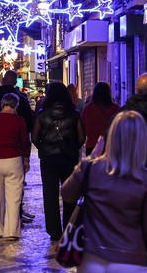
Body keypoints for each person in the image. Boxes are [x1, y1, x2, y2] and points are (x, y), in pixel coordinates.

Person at [61, 111, 147, 273]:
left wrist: (87, 161)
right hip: (131, 259)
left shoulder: (92, 169)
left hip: (91, 256)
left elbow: (67, 194)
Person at [32, 81, 85, 245]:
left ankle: (54, 231)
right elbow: (82, 137)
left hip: (48, 158)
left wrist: (43, 147)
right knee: (69, 193)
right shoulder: (74, 113)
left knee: (50, 194)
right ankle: (69, 227)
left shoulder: (42, 114)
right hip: (68, 157)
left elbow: (34, 137)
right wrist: (72, 147)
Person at [0, 69, 35, 223]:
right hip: (15, 151)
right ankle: (15, 218)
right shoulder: (22, 100)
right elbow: (28, 126)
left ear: (3, 80)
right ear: (15, 81)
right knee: (16, 189)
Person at [0, 93, 31, 241]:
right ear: (15, 105)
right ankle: (11, 231)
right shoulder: (19, 120)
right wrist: (26, 158)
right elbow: (24, 141)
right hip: (14, 159)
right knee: (14, 197)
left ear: (3, 104)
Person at [81, 81, 120, 154]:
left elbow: (83, 128)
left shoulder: (88, 109)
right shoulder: (115, 109)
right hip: (110, 147)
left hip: (92, 147)